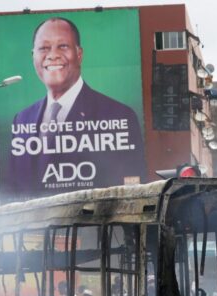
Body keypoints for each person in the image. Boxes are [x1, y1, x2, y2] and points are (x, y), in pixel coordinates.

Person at [8, 16, 145, 199]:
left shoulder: (119, 115)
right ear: (33, 55)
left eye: (62, 46)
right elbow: (15, 190)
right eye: (44, 48)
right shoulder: (22, 119)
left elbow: (132, 189)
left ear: (79, 54)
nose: (53, 55)